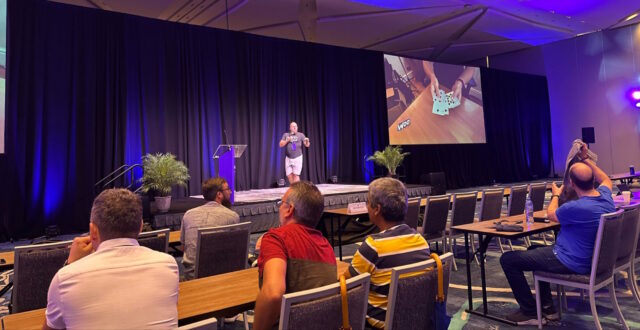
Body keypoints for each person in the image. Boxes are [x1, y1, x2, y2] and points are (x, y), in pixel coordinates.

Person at [500, 144, 615, 325]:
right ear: (593, 181)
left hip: (569, 260)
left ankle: (530, 312)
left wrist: (555, 195)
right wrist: (585, 159)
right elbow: (606, 179)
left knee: (508, 259)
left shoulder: (574, 207)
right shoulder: (606, 198)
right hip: (589, 259)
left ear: (572, 184)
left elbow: (551, 214)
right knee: (533, 248)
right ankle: (547, 308)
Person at [44, 189, 179, 330]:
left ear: (93, 231)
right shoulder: (168, 265)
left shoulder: (65, 278)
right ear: (140, 227)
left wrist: (70, 265)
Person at [343, 177, 431, 329]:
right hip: (416, 319)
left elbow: (347, 282)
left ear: (376, 209)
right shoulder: (420, 241)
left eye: (367, 202)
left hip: (382, 323)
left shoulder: (373, 246)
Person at [253, 181, 336, 330]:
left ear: (289, 209)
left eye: (281, 203)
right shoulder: (326, 246)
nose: (279, 207)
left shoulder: (276, 238)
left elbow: (273, 294)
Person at [181, 177, 240, 280]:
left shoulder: (188, 214)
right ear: (219, 194)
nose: (230, 192)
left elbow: (183, 247)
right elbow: (236, 251)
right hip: (219, 276)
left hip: (190, 276)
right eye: (228, 189)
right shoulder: (232, 216)